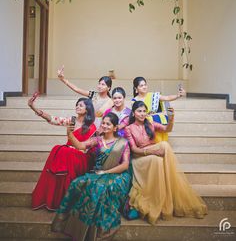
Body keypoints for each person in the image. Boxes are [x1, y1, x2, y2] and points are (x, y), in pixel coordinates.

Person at [52, 112, 132, 240]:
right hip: (98, 172)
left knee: (99, 188)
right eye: (103, 123)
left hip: (117, 174)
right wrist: (69, 133)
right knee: (77, 183)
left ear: (115, 127)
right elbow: (80, 145)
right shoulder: (98, 140)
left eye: (108, 124)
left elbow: (125, 165)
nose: (105, 126)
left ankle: (95, 231)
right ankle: (69, 224)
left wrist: (106, 172)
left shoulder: (123, 142)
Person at [125, 101, 207, 225]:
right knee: (162, 147)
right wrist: (150, 152)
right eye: (139, 111)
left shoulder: (150, 123)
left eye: (144, 111)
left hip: (154, 155)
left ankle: (165, 196)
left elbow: (167, 129)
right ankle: (165, 186)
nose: (142, 114)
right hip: (140, 158)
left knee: (160, 153)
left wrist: (171, 118)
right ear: (133, 113)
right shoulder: (129, 128)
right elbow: (134, 150)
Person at [28, 93, 96, 211]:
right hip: (67, 153)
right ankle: (52, 199)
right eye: (77, 105)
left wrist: (71, 147)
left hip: (81, 156)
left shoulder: (91, 126)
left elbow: (84, 148)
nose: (77, 107)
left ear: (87, 110)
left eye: (80, 105)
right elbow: (53, 119)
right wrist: (33, 107)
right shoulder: (71, 121)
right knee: (60, 150)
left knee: (61, 150)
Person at [132, 76, 186, 142]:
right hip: (145, 124)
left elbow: (167, 98)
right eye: (141, 86)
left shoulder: (154, 96)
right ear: (136, 89)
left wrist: (178, 95)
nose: (144, 87)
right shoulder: (134, 101)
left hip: (158, 121)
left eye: (145, 85)